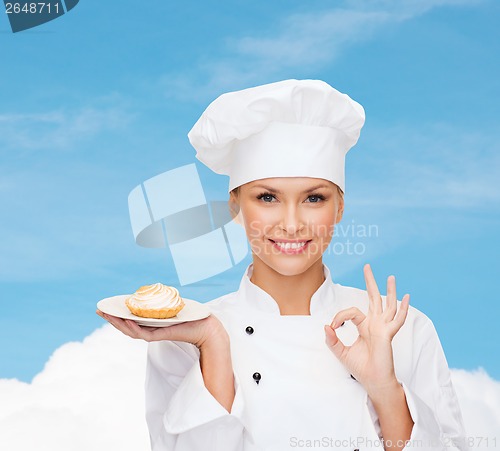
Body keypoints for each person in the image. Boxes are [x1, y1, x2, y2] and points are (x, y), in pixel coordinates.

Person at [97, 79, 467, 451]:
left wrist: (385, 389)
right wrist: (214, 345)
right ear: (236, 207)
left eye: (314, 198)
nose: (291, 224)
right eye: (268, 197)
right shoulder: (186, 339)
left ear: (339, 207)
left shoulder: (403, 330)